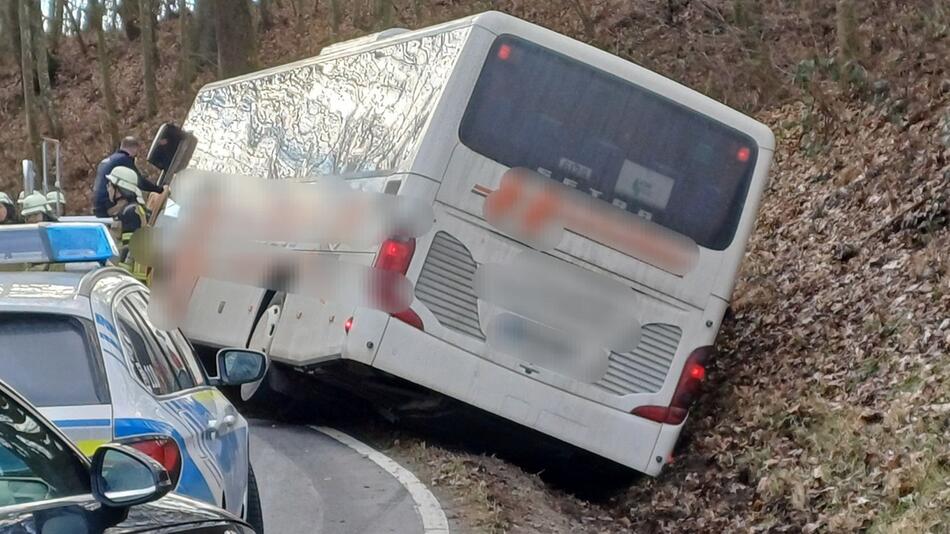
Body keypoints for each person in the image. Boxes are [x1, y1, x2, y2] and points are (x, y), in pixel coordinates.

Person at [93, 136, 164, 218]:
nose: (136, 156)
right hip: (108, 207)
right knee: (130, 192)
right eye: (137, 152)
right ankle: (146, 217)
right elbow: (138, 182)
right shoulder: (124, 159)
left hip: (98, 207)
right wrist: (159, 190)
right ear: (134, 149)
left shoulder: (108, 160)